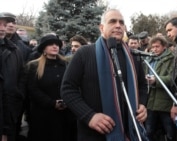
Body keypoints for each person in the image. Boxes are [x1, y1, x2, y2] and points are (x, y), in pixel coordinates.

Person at [60, 9, 148, 141]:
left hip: (130, 132)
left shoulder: (132, 56)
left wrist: (142, 104)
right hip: (94, 134)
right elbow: (67, 89)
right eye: (112, 21)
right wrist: (89, 116)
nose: (118, 25)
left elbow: (142, 85)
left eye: (121, 22)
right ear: (101, 27)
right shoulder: (84, 53)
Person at [25, 34, 76, 141]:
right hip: (43, 115)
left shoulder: (66, 64)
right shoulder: (33, 66)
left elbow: (72, 85)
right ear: (44, 48)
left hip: (65, 114)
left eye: (57, 44)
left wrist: (66, 101)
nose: (55, 46)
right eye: (51, 44)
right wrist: (52, 103)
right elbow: (32, 89)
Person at [143, 36, 175, 141]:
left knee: (169, 131)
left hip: (165, 102)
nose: (154, 49)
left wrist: (156, 80)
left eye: (157, 46)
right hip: (150, 101)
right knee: (148, 131)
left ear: (164, 47)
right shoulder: (148, 58)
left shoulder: (171, 59)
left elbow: (173, 78)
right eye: (153, 47)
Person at [0, 12, 26, 141]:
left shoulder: (15, 50)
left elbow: (21, 76)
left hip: (9, 112)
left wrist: (17, 95)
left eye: (4, 25)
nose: (2, 28)